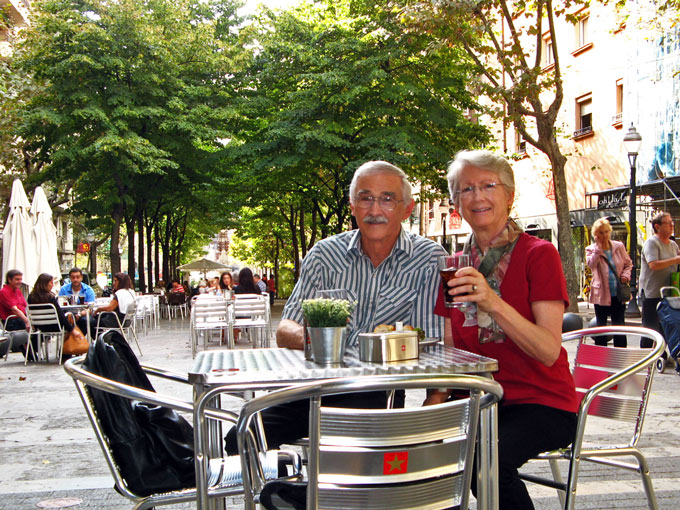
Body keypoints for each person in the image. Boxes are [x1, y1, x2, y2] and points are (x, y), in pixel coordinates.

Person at [225, 160, 446, 454]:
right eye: (365, 198)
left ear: (407, 208)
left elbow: (431, 342)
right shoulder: (324, 254)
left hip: (377, 391)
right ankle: (284, 489)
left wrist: (432, 412)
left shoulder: (429, 259)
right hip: (313, 385)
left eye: (387, 199)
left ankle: (311, 493)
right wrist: (327, 345)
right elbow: (286, 329)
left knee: (347, 452)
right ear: (353, 206)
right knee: (240, 437)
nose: (375, 210)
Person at [430, 150, 578, 510]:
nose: (477, 196)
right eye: (466, 189)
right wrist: (431, 407)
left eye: (488, 186)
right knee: (411, 444)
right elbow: (452, 351)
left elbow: (547, 350)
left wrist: (493, 302)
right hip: (479, 401)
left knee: (483, 459)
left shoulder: (539, 254)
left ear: (509, 196)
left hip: (540, 401)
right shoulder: (455, 267)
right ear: (456, 203)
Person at [586, 218, 633, 347]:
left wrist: (625, 276)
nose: (604, 235)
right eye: (601, 232)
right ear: (596, 234)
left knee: (619, 325)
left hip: (618, 293)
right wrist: (598, 249)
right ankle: (601, 354)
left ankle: (620, 354)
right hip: (600, 293)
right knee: (601, 326)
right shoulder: (590, 249)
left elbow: (628, 264)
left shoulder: (619, 247)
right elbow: (591, 264)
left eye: (607, 231)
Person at [639, 211, 680, 348]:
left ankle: (662, 354)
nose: (671, 225)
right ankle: (645, 355)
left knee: (666, 325)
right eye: (668, 223)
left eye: (671, 223)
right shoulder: (652, 243)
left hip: (668, 292)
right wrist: (675, 260)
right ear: (657, 226)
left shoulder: (673, 245)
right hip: (652, 292)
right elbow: (654, 265)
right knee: (650, 327)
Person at [0, 269, 32, 359]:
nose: (20, 282)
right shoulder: (4, 292)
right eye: (17, 279)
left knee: (42, 325)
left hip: (21, 318)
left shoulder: (17, 291)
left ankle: (31, 353)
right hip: (11, 320)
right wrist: (27, 321)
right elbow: (15, 310)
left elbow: (25, 306)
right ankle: (29, 353)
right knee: (34, 328)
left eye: (20, 279)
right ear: (9, 280)